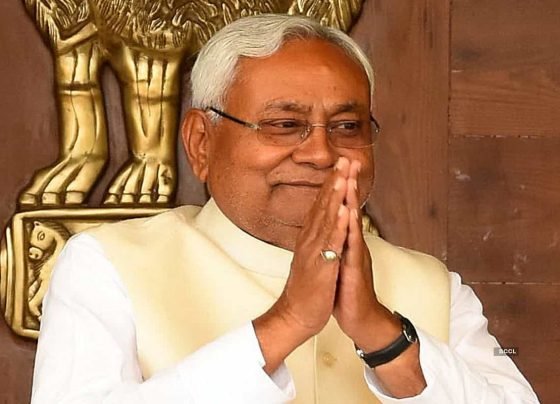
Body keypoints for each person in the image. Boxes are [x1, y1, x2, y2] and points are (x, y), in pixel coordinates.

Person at [31, 14, 539, 404]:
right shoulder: (109, 265)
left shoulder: (433, 286)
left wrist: (381, 333)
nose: (319, 153)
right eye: (284, 125)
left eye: (346, 127)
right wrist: (287, 322)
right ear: (201, 143)